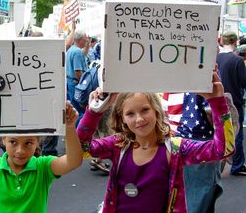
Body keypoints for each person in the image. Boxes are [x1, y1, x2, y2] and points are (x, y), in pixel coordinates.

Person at [77, 70, 234, 213]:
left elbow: (223, 149)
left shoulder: (176, 149)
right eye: (130, 114)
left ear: (156, 110)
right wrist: (94, 111)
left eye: (145, 110)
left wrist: (217, 102)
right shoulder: (118, 145)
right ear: (122, 119)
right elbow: (81, 149)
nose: (139, 119)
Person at [217, 31, 246, 175]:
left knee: (219, 133)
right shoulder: (237, 61)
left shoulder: (215, 58)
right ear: (235, 42)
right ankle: (237, 165)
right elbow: (244, 82)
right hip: (234, 102)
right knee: (236, 134)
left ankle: (220, 163)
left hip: (216, 102)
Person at [66, 29, 88, 125]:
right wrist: (84, 84)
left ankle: (74, 133)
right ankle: (78, 135)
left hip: (70, 83)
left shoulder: (71, 50)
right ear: (80, 40)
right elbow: (78, 71)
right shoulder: (77, 52)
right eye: (85, 40)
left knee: (74, 110)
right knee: (80, 112)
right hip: (76, 84)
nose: (86, 41)